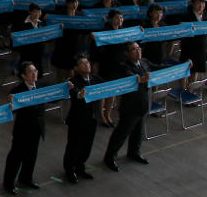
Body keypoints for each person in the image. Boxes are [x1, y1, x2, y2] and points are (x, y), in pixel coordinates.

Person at [103, 42, 152, 172]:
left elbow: (159, 67)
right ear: (127, 53)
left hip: (143, 104)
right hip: (130, 106)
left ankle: (134, 152)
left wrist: (180, 66)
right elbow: (129, 77)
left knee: (138, 132)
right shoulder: (124, 66)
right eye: (134, 49)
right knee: (122, 133)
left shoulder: (145, 63)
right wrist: (140, 79)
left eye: (138, 48)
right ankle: (110, 157)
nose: (138, 51)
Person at [2, 61, 45, 193]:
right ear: (24, 76)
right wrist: (11, 103)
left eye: (35, 71)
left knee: (31, 155)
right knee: (16, 157)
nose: (34, 74)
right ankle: (8, 183)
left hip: (37, 128)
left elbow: (53, 96)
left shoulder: (41, 86)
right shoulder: (17, 91)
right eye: (31, 72)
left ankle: (26, 178)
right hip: (23, 129)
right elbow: (12, 110)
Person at [64, 54, 99, 184]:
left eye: (88, 62)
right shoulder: (73, 81)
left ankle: (80, 166)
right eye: (83, 63)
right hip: (77, 120)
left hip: (91, 119)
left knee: (87, 146)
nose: (87, 65)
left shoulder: (94, 78)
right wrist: (79, 94)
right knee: (74, 146)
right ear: (76, 68)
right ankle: (69, 169)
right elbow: (75, 93)